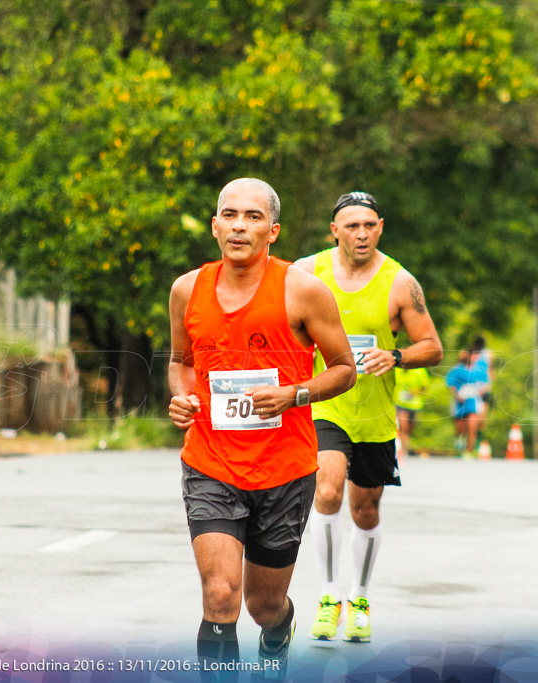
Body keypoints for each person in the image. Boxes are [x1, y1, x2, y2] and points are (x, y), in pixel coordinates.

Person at [168, 178, 357, 680]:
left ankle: (279, 634)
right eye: (230, 215)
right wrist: (183, 398)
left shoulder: (302, 289)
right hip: (211, 463)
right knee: (221, 594)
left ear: (272, 231)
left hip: (284, 471)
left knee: (262, 606)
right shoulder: (186, 289)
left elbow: (344, 369)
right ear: (215, 226)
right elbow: (180, 361)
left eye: (253, 217)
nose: (239, 225)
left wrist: (293, 394)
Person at [293, 191, 443, 643]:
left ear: (381, 227)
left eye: (370, 225)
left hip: (374, 414)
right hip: (325, 404)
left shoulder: (400, 282)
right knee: (327, 486)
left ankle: (358, 597)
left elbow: (432, 347)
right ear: (333, 230)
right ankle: (328, 596)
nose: (361, 233)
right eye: (352, 225)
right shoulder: (305, 272)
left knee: (366, 507)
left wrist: (395, 356)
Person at [446, 348, 483, 457]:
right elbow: (451, 384)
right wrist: (457, 395)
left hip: (473, 402)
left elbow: (484, 384)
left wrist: (480, 391)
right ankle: (459, 441)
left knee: (472, 427)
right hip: (460, 402)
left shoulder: (478, 370)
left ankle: (469, 451)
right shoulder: (458, 369)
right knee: (461, 427)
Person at [394, 366, 431, 458]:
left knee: (410, 429)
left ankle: (406, 445)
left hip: (414, 405)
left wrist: (413, 393)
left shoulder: (419, 370)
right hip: (400, 404)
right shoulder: (396, 370)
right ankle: (404, 450)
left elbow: (424, 386)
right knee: (403, 427)